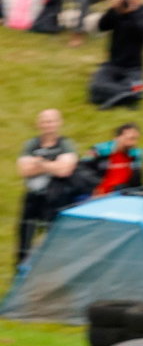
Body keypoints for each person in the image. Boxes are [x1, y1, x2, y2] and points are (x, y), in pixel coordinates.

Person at [16, 109, 79, 266]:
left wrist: (39, 162)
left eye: (51, 121)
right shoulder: (31, 144)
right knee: (24, 240)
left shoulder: (65, 144)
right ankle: (22, 271)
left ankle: (51, 271)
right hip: (33, 197)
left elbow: (65, 170)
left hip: (56, 198)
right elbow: (24, 170)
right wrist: (54, 164)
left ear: (59, 123)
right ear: (39, 124)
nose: (48, 125)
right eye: (45, 121)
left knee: (54, 240)